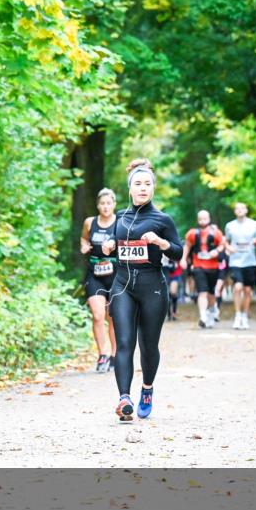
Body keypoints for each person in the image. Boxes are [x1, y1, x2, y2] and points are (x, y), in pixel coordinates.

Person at [102, 158, 183, 421]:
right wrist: (108, 246)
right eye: (138, 184)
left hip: (152, 287)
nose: (143, 188)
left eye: (147, 184)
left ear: (153, 188)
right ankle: (124, 399)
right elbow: (115, 241)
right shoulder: (120, 217)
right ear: (129, 188)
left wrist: (160, 242)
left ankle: (146, 389)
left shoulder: (162, 219)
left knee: (149, 346)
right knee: (124, 343)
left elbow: (179, 252)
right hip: (122, 285)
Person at [80, 189, 118, 373]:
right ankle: (103, 354)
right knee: (98, 315)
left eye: (108, 203)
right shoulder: (90, 222)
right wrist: (84, 245)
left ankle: (115, 355)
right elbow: (84, 238)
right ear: (98, 205)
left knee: (113, 318)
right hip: (94, 274)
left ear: (114, 205)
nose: (105, 207)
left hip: (115, 275)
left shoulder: (120, 223)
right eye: (102, 203)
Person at [180, 210, 227, 329]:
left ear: (209, 219)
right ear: (197, 220)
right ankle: (203, 317)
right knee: (202, 292)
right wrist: (183, 259)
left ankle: (212, 311)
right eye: (200, 219)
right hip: (198, 266)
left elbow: (222, 244)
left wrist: (216, 251)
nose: (202, 221)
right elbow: (187, 246)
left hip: (213, 267)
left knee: (211, 294)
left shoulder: (216, 233)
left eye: (205, 219)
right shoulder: (192, 233)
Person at [223, 203, 256, 330]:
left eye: (242, 208)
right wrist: (228, 247)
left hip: (250, 262)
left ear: (246, 210)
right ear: (235, 211)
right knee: (238, 287)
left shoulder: (254, 224)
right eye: (237, 209)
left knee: (247, 290)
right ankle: (237, 316)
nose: (240, 210)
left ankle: (245, 316)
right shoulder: (230, 226)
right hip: (236, 262)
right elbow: (225, 240)